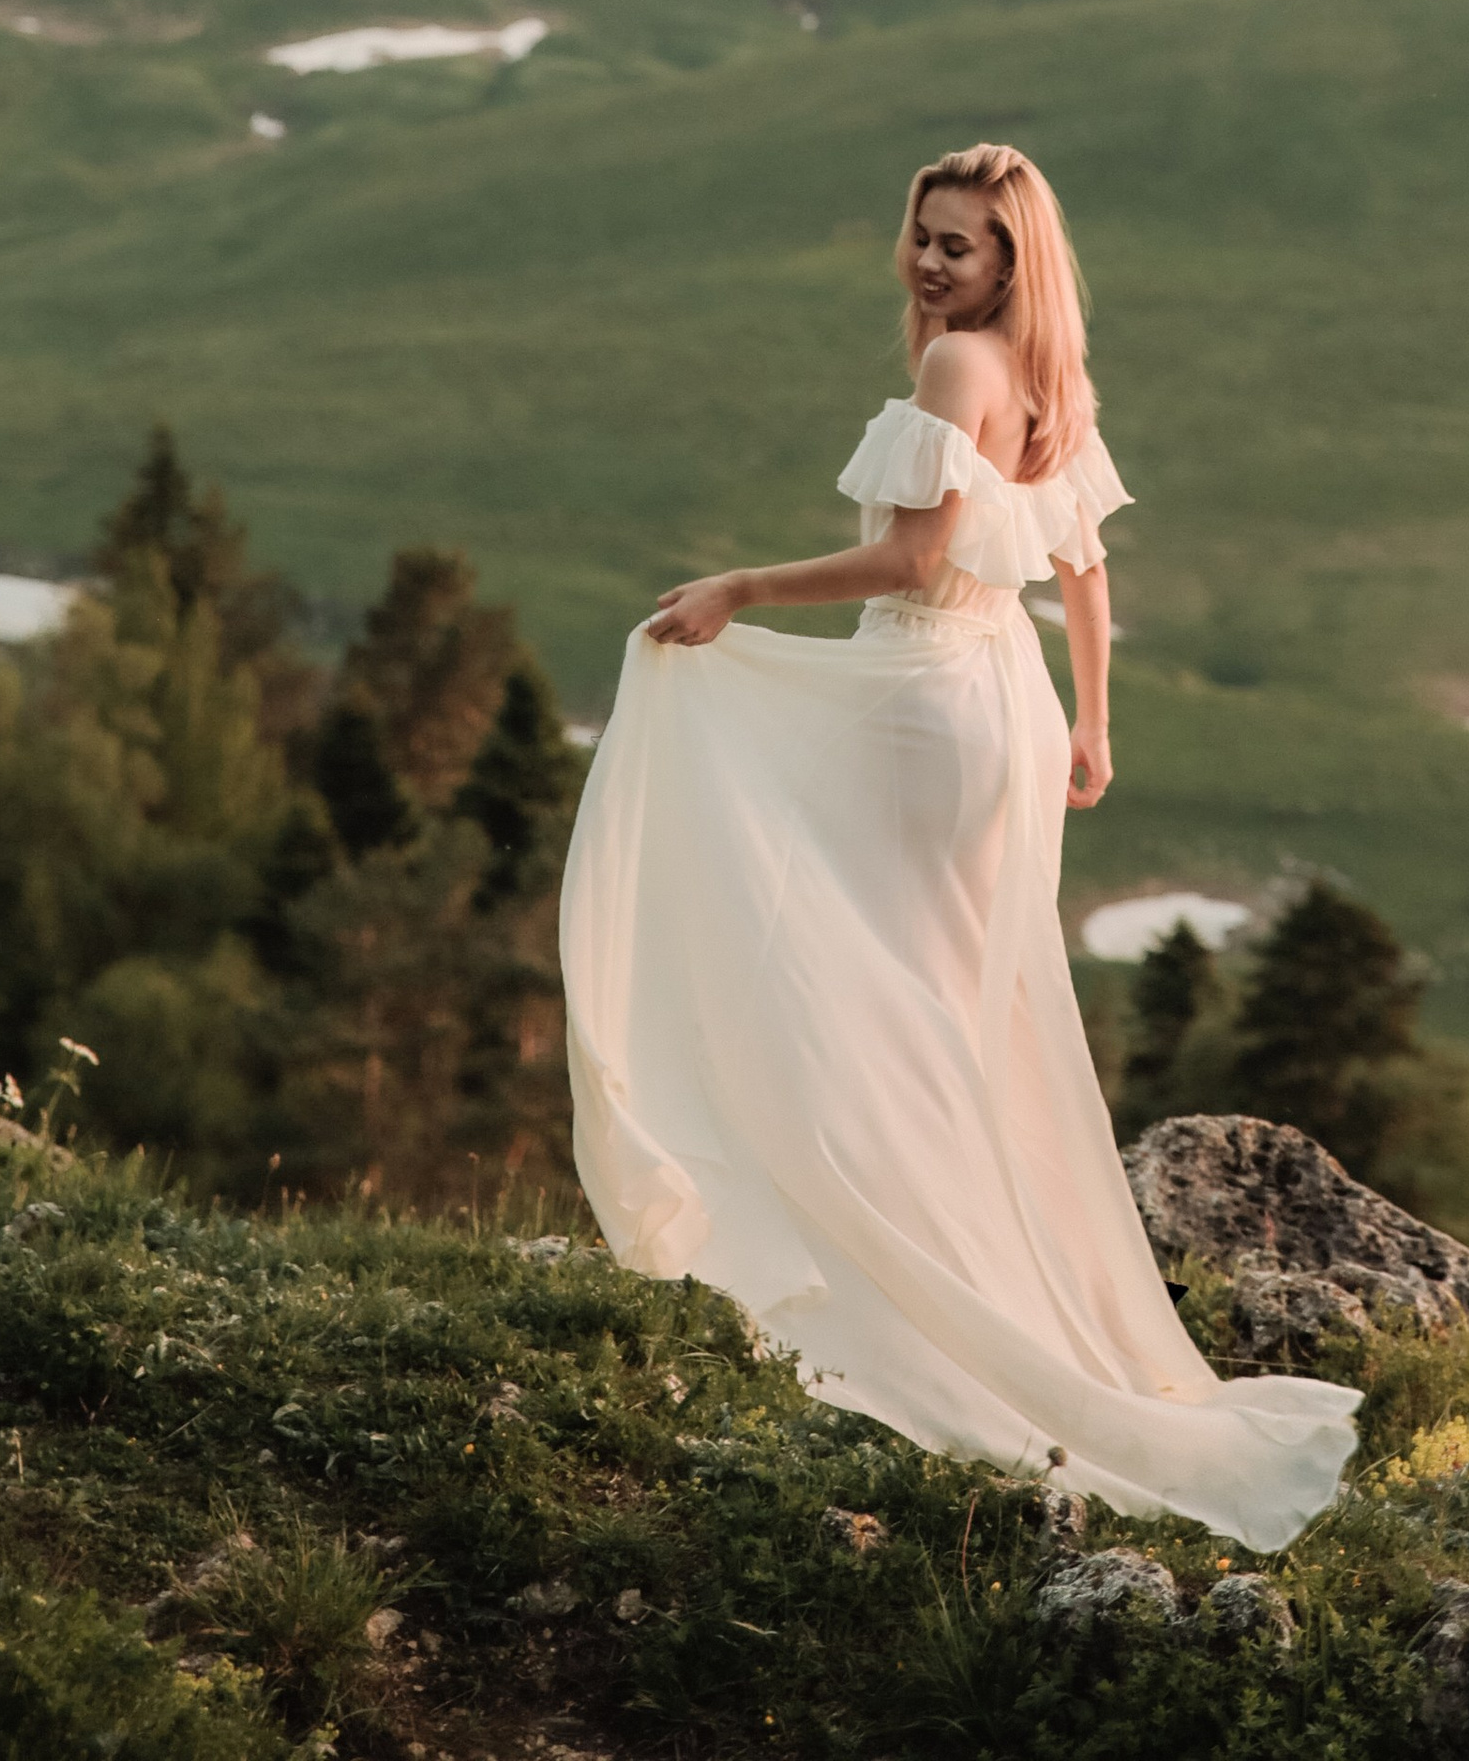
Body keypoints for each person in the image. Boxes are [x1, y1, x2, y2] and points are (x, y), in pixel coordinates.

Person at [561, 139, 1360, 1548]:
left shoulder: (955, 373)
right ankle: (973, 1271)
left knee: (851, 984)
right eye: (924, 236)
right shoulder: (1052, 372)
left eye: (963, 245)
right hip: (1009, 711)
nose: (934, 263)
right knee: (945, 1006)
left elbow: (919, 565)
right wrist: (1093, 727)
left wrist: (742, 589)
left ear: (1010, 262)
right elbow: (1084, 569)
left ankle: (909, 1281)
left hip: (927, 700)